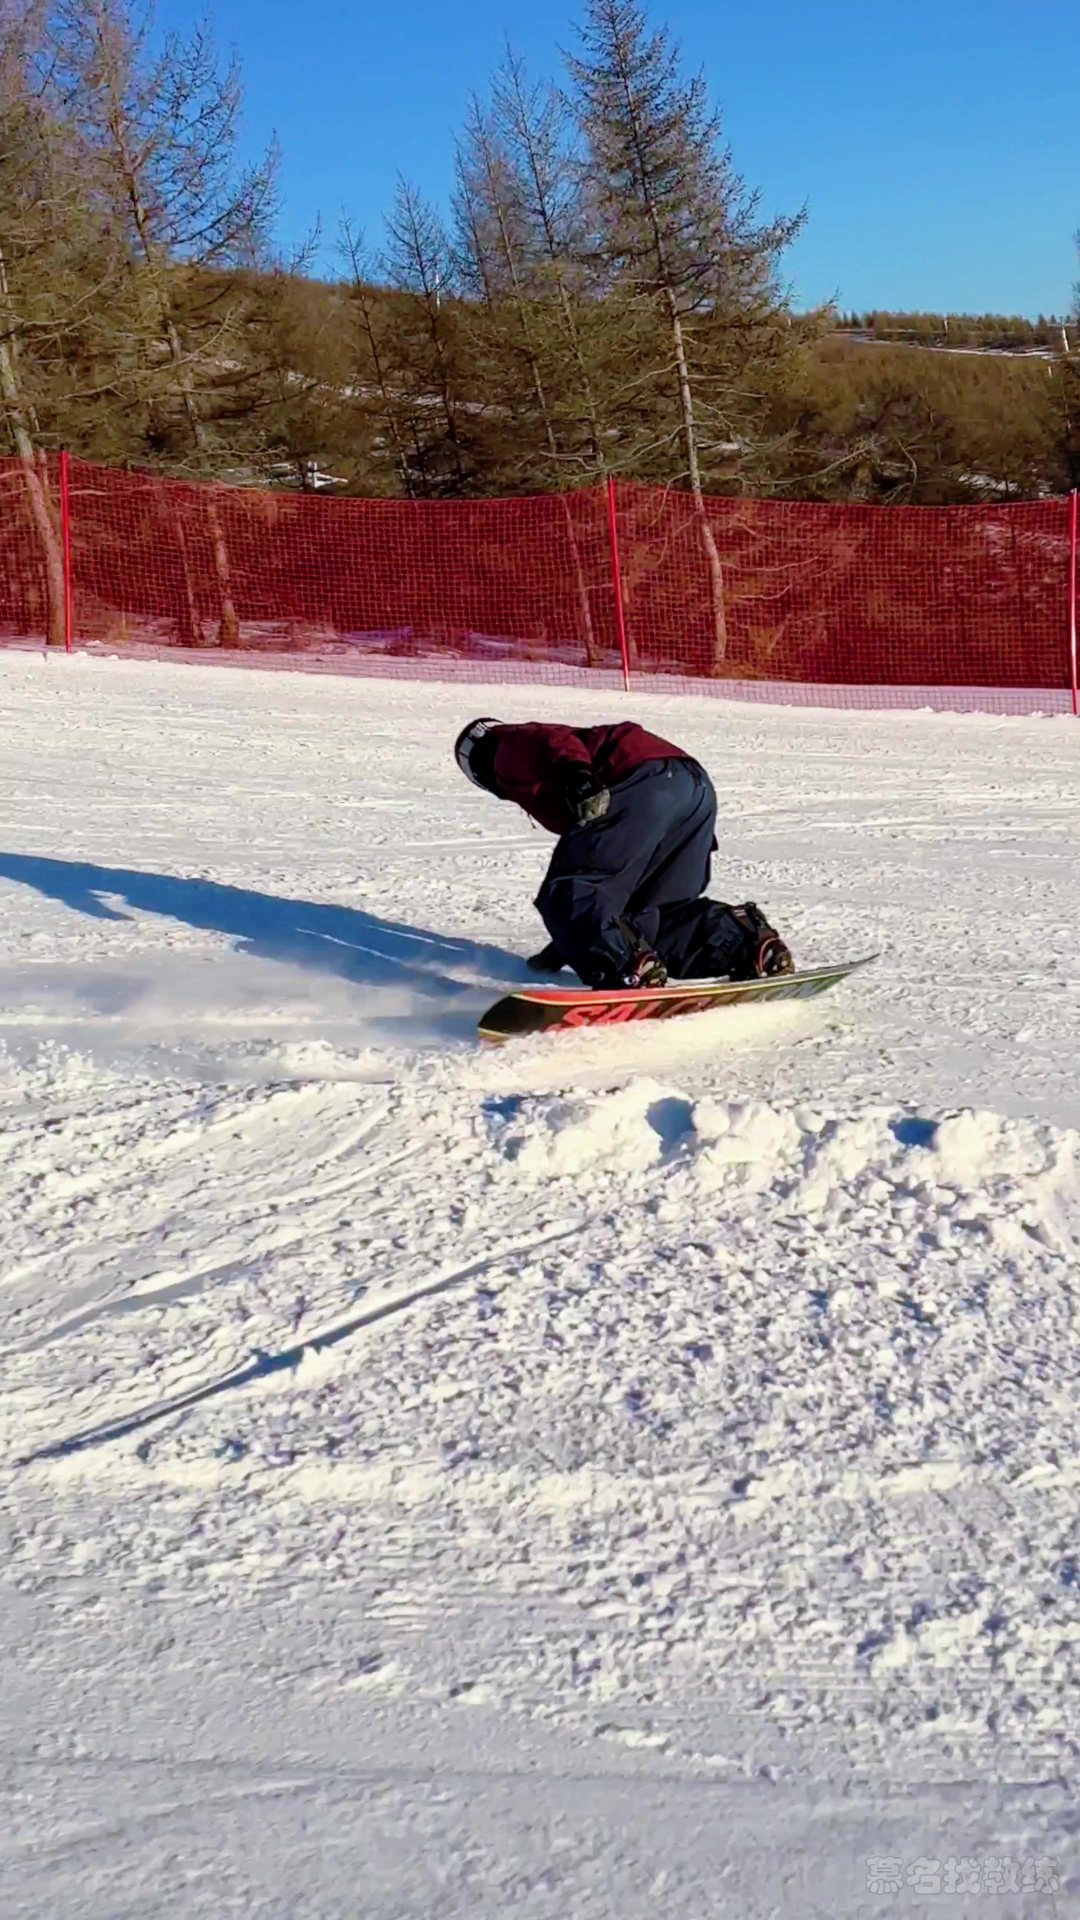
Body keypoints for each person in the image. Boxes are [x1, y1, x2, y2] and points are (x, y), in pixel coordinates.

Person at [453, 717, 794, 991]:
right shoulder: (525, 765)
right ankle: (745, 945)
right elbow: (609, 891)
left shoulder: (501, 746)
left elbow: (551, 741)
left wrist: (577, 774)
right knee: (653, 912)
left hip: (641, 780)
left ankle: (625, 968)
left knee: (571, 889)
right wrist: (568, 945)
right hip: (693, 792)